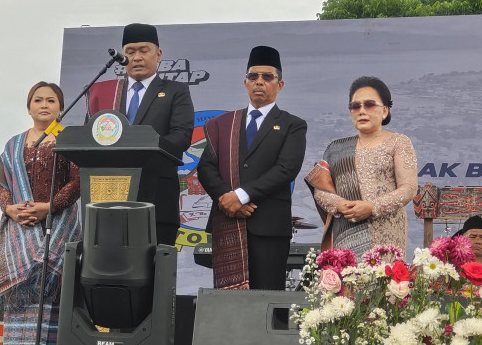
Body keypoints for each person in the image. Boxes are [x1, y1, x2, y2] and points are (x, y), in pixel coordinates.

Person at [0, 82, 82, 345]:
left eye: (51, 100)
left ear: (60, 107)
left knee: (52, 298)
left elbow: (78, 182)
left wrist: (49, 207)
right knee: (21, 301)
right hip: (20, 230)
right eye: (38, 100)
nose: (44, 105)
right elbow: (2, 183)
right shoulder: (13, 144)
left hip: (58, 225)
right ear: (29, 107)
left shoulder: (70, 139)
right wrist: (10, 209)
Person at [197, 46, 307, 290]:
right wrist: (226, 199)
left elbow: (286, 169)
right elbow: (206, 167)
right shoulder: (223, 124)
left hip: (268, 228)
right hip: (227, 221)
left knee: (266, 302)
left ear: (280, 85)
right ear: (245, 83)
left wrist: (240, 196)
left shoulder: (292, 125)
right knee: (229, 306)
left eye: (267, 77)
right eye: (253, 76)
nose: (259, 82)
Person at [86, 23, 194, 245]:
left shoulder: (175, 91)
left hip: (157, 198)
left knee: (154, 272)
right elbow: (91, 137)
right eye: (130, 52)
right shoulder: (107, 93)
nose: (136, 57)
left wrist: (142, 149)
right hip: (109, 198)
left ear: (158, 54)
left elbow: (181, 136)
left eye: (144, 51)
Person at [306, 76, 418, 254]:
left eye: (369, 104)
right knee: (348, 279)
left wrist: (372, 207)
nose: (361, 111)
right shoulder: (336, 149)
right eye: (355, 106)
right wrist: (341, 204)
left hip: (386, 232)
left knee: (384, 281)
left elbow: (409, 188)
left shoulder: (398, 142)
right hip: (347, 231)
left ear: (385, 111)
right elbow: (321, 190)